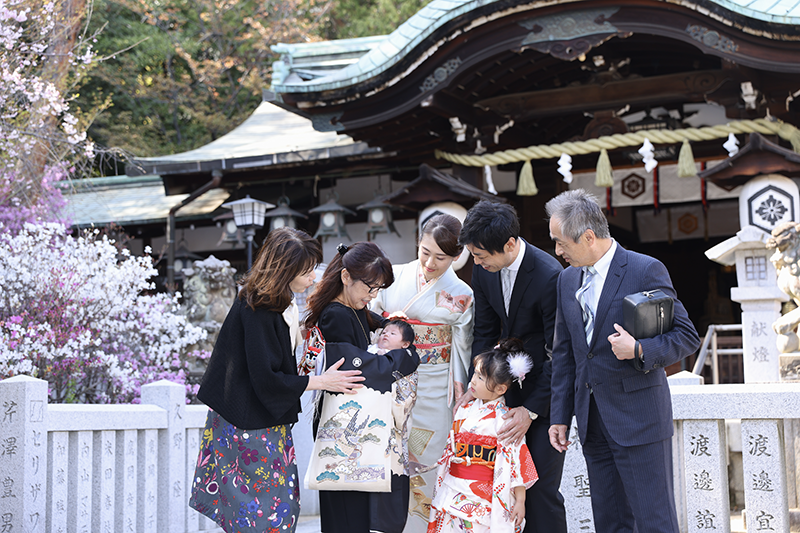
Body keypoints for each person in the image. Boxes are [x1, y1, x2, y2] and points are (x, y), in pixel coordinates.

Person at [188, 227, 364, 533]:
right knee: (266, 513)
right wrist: (323, 381)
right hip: (246, 425)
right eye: (306, 272)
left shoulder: (270, 301)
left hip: (249, 419)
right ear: (285, 270)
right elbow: (266, 379)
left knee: (269, 509)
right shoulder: (259, 308)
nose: (312, 278)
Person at [545, 189, 700, 533]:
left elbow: (687, 336)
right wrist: (560, 415)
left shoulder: (644, 269)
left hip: (640, 420)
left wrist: (640, 349)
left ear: (588, 237)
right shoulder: (567, 279)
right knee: (610, 523)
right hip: (592, 421)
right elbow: (565, 352)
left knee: (654, 522)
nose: (557, 251)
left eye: (561, 243)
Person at [457, 200, 566, 533]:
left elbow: (558, 352)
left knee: (540, 490)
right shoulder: (483, 271)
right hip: (501, 391)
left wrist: (531, 410)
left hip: (544, 397)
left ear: (508, 244)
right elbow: (484, 332)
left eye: (480, 255)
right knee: (502, 485)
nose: (476, 262)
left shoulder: (549, 274)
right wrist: (478, 385)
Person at [304, 242, 421, 533]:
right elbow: (363, 369)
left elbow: (381, 322)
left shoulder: (355, 307)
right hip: (343, 426)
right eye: (370, 288)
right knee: (346, 511)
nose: (373, 296)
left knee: (353, 509)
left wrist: (393, 326)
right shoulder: (335, 314)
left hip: (352, 422)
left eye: (378, 289)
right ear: (346, 277)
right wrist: (406, 355)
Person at [372, 213, 474, 532]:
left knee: (427, 461)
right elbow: (369, 317)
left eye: (440, 257)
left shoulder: (462, 294)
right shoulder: (393, 277)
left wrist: (461, 391)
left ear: (456, 256)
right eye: (425, 252)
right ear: (418, 242)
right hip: (390, 381)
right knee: (387, 460)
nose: (429, 263)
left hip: (434, 386)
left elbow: (463, 347)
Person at [427, 338, 538, 533]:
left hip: (486, 494)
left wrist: (520, 501)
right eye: (475, 374)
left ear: (500, 389)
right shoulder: (464, 410)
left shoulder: (505, 420)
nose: (473, 381)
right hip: (453, 485)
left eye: (480, 377)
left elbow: (516, 464)